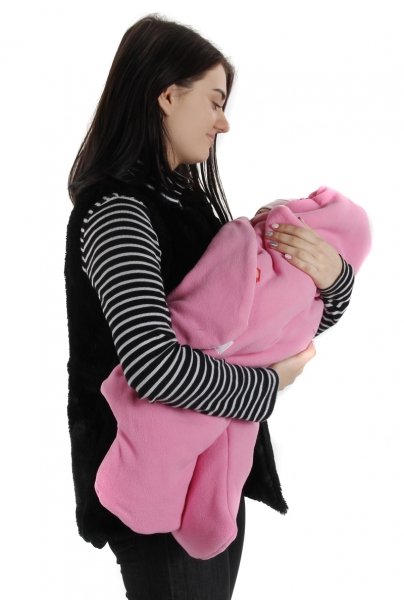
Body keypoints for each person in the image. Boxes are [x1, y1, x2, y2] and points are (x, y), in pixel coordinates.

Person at [64, 14, 355, 600]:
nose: (224, 123)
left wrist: (334, 280)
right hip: (153, 482)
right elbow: (153, 366)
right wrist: (267, 386)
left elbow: (263, 330)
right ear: (168, 96)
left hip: (209, 473)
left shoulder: (189, 206)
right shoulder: (119, 212)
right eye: (215, 101)